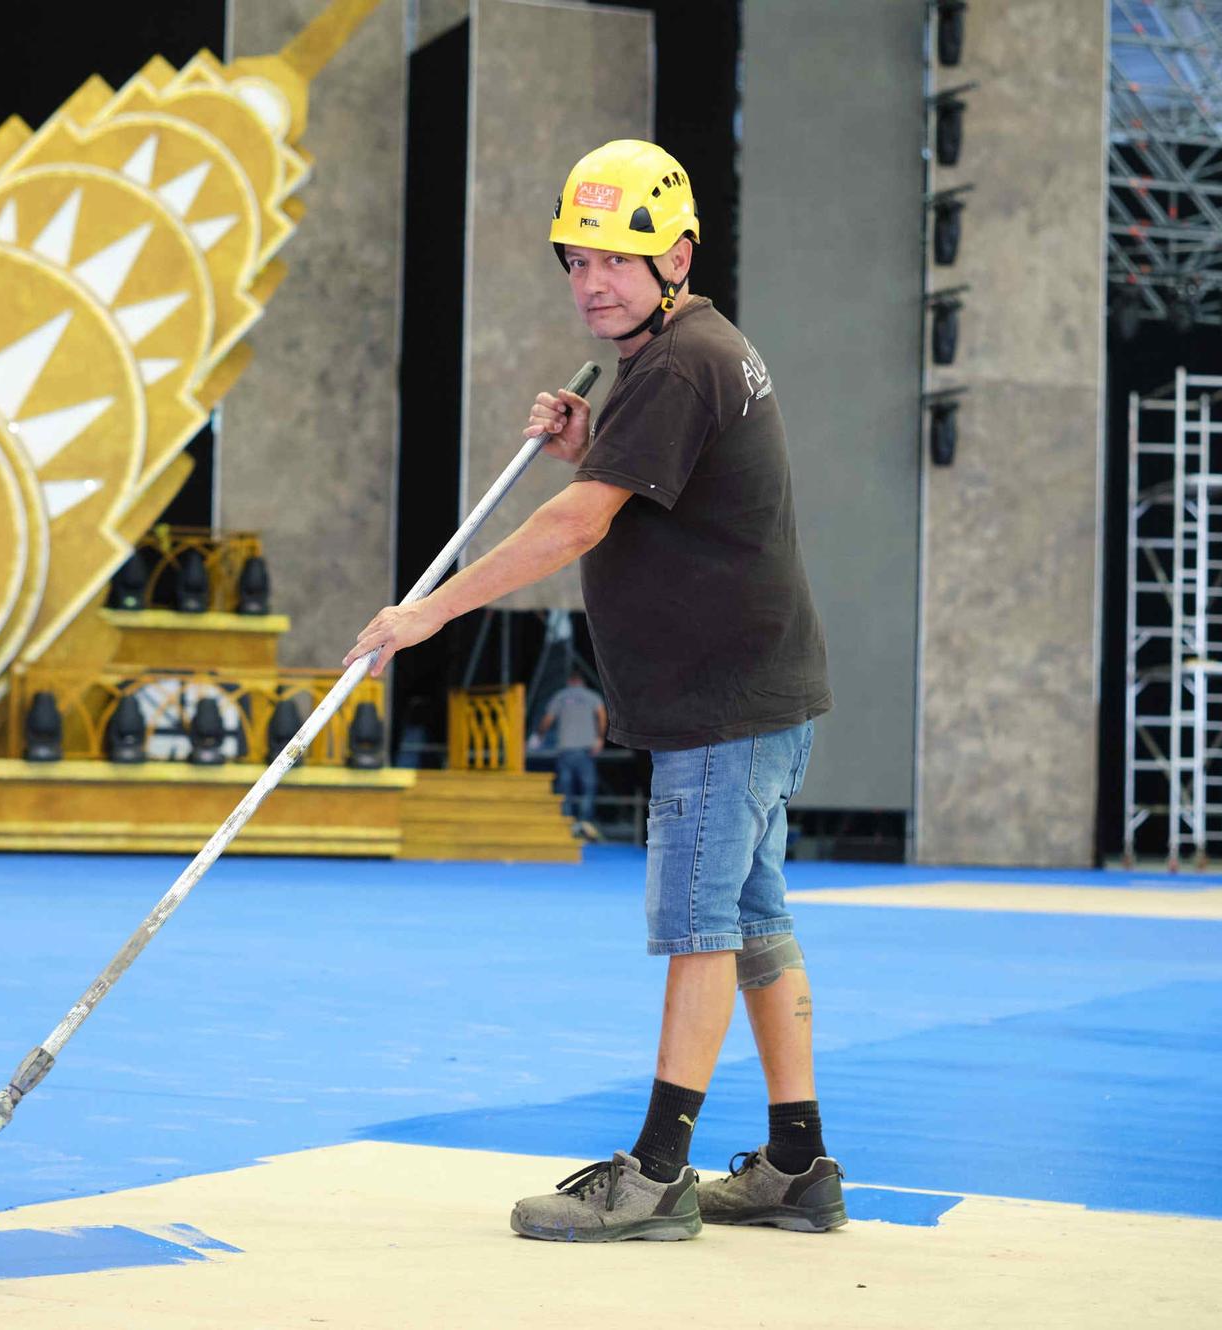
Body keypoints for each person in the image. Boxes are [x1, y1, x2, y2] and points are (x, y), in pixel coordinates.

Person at [346, 140, 838, 1243]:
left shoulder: (672, 363)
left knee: (701, 926)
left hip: (724, 705)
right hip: (758, 692)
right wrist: (589, 448)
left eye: (615, 259)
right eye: (575, 261)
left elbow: (578, 527)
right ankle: (798, 1162)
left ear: (675, 253)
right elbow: (649, 499)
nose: (591, 283)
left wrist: (427, 612)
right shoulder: (682, 354)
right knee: (752, 920)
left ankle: (657, 1172)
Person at [535, 669, 606, 838]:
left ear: (569, 682)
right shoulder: (591, 696)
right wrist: (600, 738)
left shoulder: (560, 696)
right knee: (587, 789)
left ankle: (567, 824)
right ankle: (585, 823)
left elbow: (548, 719)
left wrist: (539, 735)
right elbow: (602, 715)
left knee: (565, 788)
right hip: (585, 750)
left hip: (566, 750)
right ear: (582, 682)